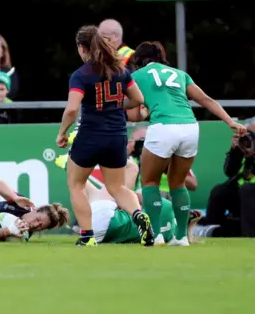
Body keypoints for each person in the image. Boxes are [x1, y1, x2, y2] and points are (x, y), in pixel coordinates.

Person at [129, 41, 246, 246]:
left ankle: (156, 236)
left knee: (149, 182)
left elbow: (134, 116)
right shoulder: (179, 74)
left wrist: (146, 111)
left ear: (138, 61)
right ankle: (182, 237)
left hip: (163, 127)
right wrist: (230, 122)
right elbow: (206, 100)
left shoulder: (136, 77)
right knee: (178, 183)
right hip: (190, 127)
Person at [57, 25, 154, 247]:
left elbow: (72, 110)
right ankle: (138, 215)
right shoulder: (120, 71)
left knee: (76, 185)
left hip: (90, 136)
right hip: (117, 136)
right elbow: (138, 99)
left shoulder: (81, 75)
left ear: (82, 48)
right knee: (118, 188)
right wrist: (117, 103)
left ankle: (87, 236)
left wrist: (62, 133)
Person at [86, 178, 202, 244]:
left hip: (108, 219)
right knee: (92, 191)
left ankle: (71, 161)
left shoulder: (168, 206)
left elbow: (131, 196)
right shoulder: (168, 237)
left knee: (131, 169)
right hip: (99, 231)